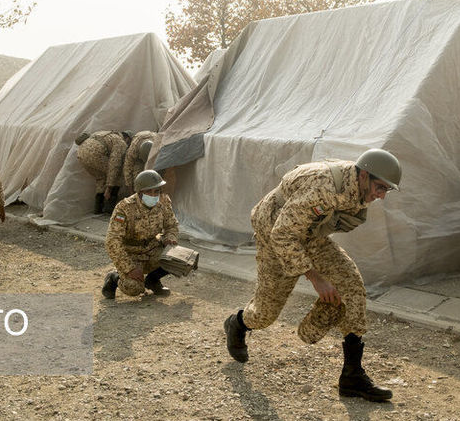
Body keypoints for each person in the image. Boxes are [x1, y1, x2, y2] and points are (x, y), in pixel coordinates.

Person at [223, 149, 402, 403]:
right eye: (379, 187)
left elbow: (317, 224)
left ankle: (352, 376)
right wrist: (316, 277)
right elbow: (282, 234)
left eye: (387, 190)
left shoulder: (359, 187)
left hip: (309, 233)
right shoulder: (325, 188)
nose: (381, 196)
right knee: (264, 314)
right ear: (363, 175)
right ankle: (238, 323)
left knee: (351, 285)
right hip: (274, 230)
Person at [101, 170, 179, 299]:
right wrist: (129, 268)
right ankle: (114, 278)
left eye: (156, 191)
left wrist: (170, 238)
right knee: (134, 288)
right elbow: (112, 241)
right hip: (132, 253)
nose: (153, 195)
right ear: (140, 192)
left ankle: (153, 280)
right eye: (148, 191)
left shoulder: (164, 201)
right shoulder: (124, 208)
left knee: (178, 260)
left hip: (152, 248)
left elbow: (172, 225)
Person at [75, 130, 132, 214]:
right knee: (117, 175)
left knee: (101, 177)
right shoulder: (121, 142)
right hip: (94, 153)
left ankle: (98, 209)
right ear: (127, 138)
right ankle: (109, 209)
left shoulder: (105, 134)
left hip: (81, 153)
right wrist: (109, 188)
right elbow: (114, 164)